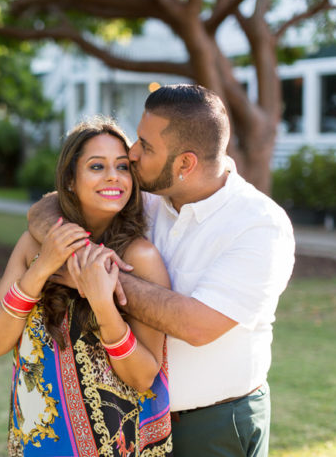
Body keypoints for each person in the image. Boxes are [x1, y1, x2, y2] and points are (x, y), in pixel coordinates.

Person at [28, 84, 296, 457]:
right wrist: (83, 257)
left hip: (212, 426)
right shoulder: (149, 195)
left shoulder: (259, 225)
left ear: (185, 164)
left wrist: (98, 279)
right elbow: (48, 207)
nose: (132, 154)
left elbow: (196, 325)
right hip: (132, 421)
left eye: (145, 146)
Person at [0, 117, 174, 456]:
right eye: (96, 166)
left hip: (114, 445)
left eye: (123, 167)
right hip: (38, 442)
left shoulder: (139, 257)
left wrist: (103, 304)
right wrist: (42, 268)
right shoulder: (34, 244)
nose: (113, 176)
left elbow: (144, 377)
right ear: (70, 179)